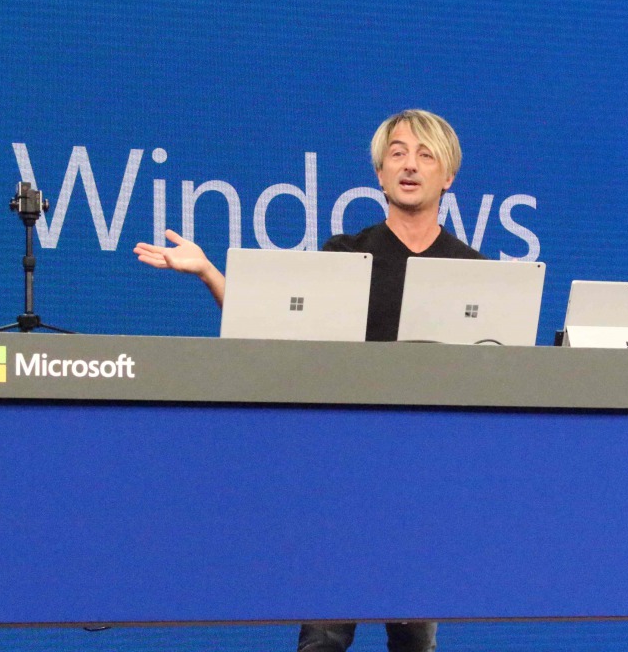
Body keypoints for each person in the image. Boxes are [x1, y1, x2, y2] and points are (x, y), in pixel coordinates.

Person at [134, 109, 483, 652]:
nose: (410, 165)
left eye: (425, 155)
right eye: (397, 154)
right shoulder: (343, 255)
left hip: (422, 485)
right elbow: (271, 330)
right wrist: (208, 272)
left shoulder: (475, 271)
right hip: (340, 477)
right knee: (322, 641)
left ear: (449, 175)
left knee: (415, 644)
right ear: (379, 173)